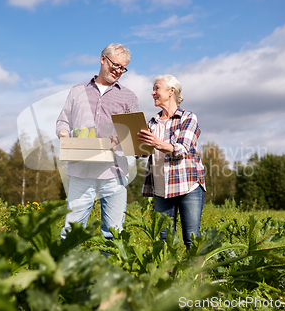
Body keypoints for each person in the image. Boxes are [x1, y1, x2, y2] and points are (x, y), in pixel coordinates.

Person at [56, 43, 140, 240]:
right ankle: (67, 270)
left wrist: (121, 138)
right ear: (103, 59)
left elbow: (135, 136)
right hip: (80, 172)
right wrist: (63, 132)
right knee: (71, 233)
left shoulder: (128, 97)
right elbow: (63, 120)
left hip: (114, 174)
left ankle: (109, 271)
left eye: (123, 68)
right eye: (116, 65)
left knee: (113, 235)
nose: (118, 71)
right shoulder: (77, 91)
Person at [137, 74, 205, 249]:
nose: (153, 93)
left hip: (187, 186)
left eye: (156, 88)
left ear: (171, 91)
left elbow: (182, 149)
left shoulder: (188, 118)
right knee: (164, 240)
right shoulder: (152, 122)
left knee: (192, 239)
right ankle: (167, 276)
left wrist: (157, 143)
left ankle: (197, 276)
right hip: (161, 190)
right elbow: (141, 154)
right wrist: (128, 142)